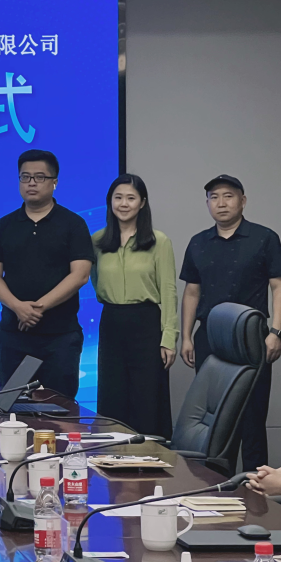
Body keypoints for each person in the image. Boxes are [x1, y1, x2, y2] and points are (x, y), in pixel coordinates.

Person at [179, 174, 281, 472]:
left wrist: (276, 332)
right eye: (214, 197)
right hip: (209, 338)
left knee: (252, 417)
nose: (221, 203)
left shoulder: (264, 238)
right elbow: (191, 292)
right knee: (214, 418)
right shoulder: (198, 242)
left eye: (228, 196)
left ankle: (257, 487)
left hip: (251, 337)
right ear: (207, 203)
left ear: (243, 201)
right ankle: (213, 485)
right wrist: (186, 336)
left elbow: (279, 286)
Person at [0, 149, 94, 399]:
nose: (31, 183)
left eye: (39, 177)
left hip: (60, 338)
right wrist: (18, 307)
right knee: (12, 407)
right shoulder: (4, 226)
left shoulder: (73, 224)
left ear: (54, 182)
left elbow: (80, 275)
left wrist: (37, 308)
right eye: (25, 177)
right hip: (14, 337)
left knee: (60, 408)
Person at [90, 174, 178, 439]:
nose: (124, 204)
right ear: (110, 202)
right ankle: (112, 455)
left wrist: (169, 338)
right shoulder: (97, 241)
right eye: (118, 197)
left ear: (142, 203)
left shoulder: (159, 241)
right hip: (112, 321)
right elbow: (94, 280)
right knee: (112, 395)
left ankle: (150, 456)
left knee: (146, 397)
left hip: (146, 323)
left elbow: (169, 290)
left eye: (131, 198)